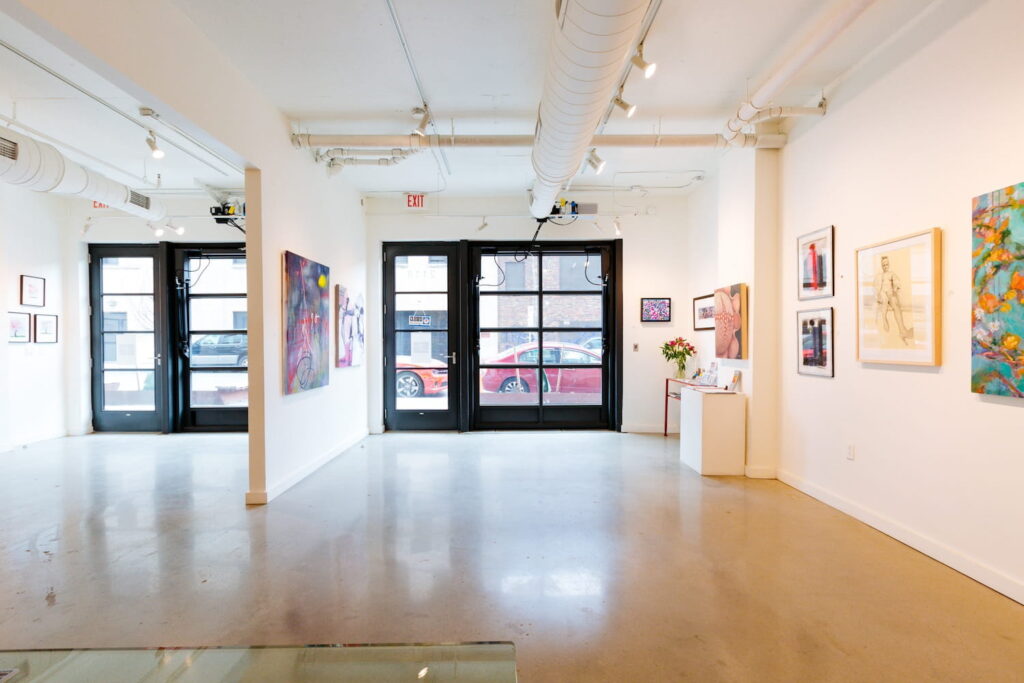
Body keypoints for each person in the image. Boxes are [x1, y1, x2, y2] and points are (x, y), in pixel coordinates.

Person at [874, 255, 914, 344]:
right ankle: (884, 319)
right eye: (883, 265)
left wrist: (896, 287)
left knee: (895, 304)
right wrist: (879, 295)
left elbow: (896, 281)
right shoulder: (880, 276)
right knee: (884, 301)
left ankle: (902, 330)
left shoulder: (891, 274)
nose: (885, 266)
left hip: (890, 293)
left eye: (887, 264)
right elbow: (877, 287)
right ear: (881, 266)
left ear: (889, 264)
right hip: (883, 293)